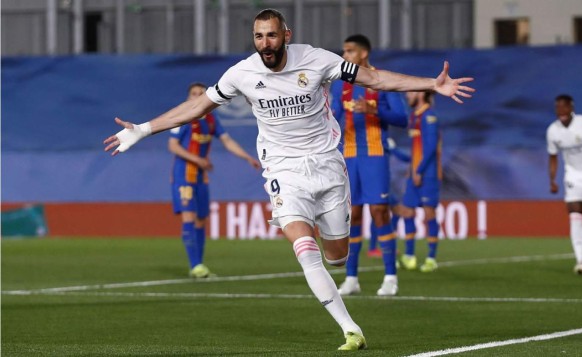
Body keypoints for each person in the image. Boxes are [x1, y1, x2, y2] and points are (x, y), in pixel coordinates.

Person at [103, 8, 474, 350]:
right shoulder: (242, 73)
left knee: (336, 256)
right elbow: (198, 107)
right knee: (304, 248)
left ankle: (343, 269)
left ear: (286, 35)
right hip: (283, 170)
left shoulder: (317, 59)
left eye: (272, 35)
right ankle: (350, 328)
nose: (265, 43)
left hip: (328, 165)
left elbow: (374, 79)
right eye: (259, 36)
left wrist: (429, 84)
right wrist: (143, 129)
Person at [330, 34, 408, 296]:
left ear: (363, 54)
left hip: (375, 154)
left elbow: (402, 118)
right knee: (352, 216)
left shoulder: (380, 81)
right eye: (343, 51)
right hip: (348, 155)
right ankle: (351, 278)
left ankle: (390, 277)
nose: (344, 56)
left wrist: (374, 110)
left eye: (349, 51)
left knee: (379, 212)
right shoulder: (341, 85)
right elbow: (333, 118)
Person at [169, 82, 260, 278]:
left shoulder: (211, 119)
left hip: (201, 176)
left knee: (201, 219)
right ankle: (195, 266)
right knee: (189, 217)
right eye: (193, 93)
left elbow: (227, 141)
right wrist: (198, 160)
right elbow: (173, 146)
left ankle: (199, 265)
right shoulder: (184, 117)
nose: (197, 96)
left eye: (201, 93)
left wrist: (246, 157)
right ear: (188, 98)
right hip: (183, 175)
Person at [547, 94, 582, 275]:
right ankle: (581, 262)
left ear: (571, 107)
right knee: (575, 216)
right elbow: (553, 157)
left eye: (564, 107)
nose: (560, 111)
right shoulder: (553, 131)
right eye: (557, 108)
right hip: (574, 176)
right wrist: (552, 180)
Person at [398, 91, 442, 273]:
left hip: (427, 174)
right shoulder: (414, 116)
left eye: (411, 92)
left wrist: (420, 170)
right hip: (414, 173)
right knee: (407, 212)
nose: (408, 95)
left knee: (429, 214)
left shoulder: (429, 116)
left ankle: (431, 258)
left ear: (421, 94)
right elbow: (416, 148)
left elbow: (431, 147)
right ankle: (409, 256)